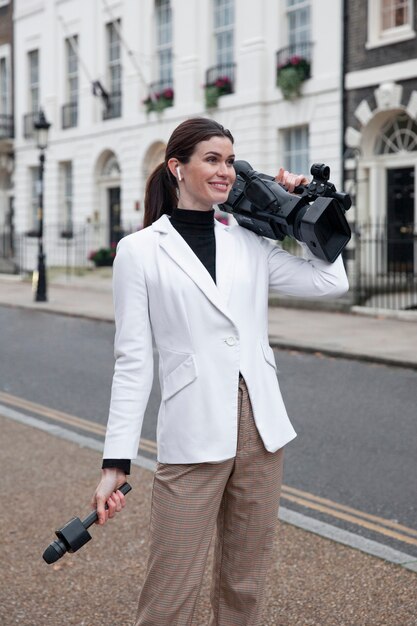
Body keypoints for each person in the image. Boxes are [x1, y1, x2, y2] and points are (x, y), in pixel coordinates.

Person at [92, 117, 349, 626]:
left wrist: (308, 206)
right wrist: (115, 462)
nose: (225, 170)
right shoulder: (140, 251)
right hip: (193, 433)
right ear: (177, 167)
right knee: (171, 591)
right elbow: (133, 361)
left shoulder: (249, 240)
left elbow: (329, 281)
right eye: (212, 159)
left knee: (244, 587)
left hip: (262, 432)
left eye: (230, 160)